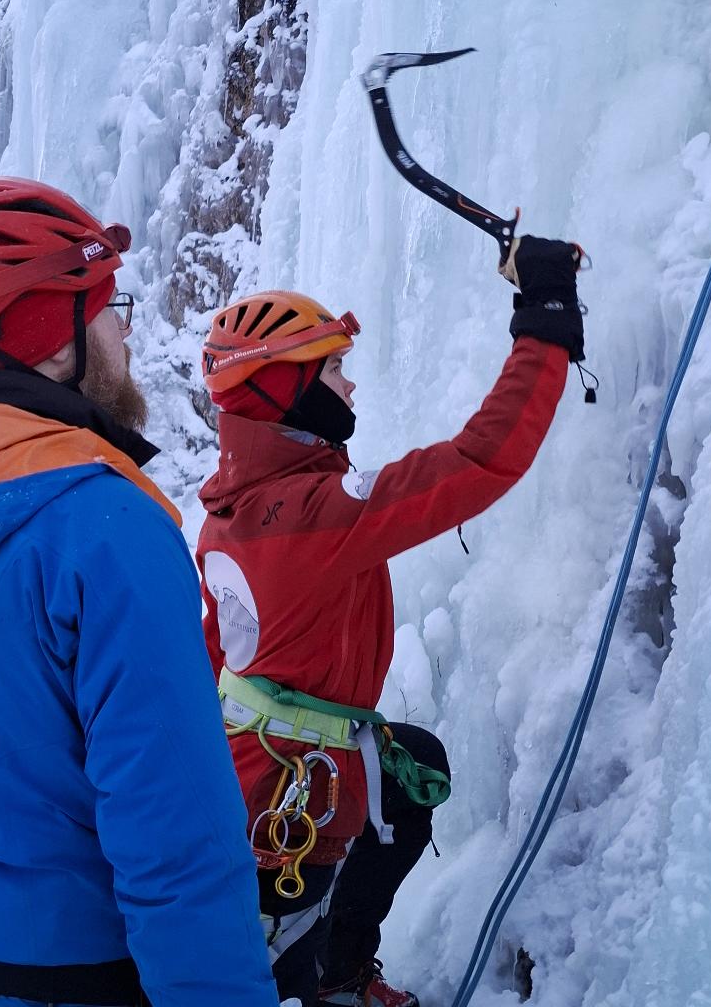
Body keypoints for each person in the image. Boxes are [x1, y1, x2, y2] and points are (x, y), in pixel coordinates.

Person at [0, 177, 278, 1007]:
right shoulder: (106, 530)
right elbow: (180, 848)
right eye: (107, 306)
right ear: (51, 338)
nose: (124, 332)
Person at [195, 236, 585, 1007]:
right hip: (288, 807)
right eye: (332, 368)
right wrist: (544, 321)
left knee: (414, 768)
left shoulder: (231, 508)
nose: (349, 385)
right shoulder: (310, 515)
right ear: (284, 389)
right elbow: (481, 461)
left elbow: (219, 649)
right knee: (276, 967)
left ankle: (338, 971)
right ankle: (318, 982)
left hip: (253, 772)